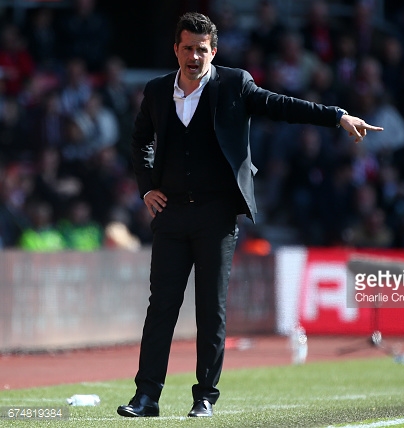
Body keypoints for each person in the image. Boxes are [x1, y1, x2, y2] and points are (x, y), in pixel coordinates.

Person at [117, 12, 382, 419]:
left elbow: (281, 105)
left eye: (201, 50)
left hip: (217, 215)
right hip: (170, 215)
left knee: (211, 309)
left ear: (213, 51)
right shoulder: (155, 91)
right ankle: (146, 397)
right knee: (161, 308)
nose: (194, 57)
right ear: (176, 49)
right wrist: (147, 186)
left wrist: (336, 116)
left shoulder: (235, 83)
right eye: (187, 48)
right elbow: (140, 141)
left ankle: (204, 396)